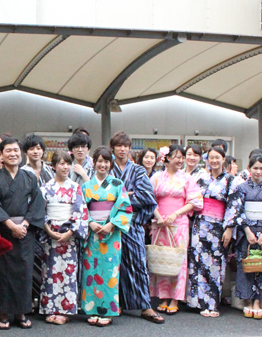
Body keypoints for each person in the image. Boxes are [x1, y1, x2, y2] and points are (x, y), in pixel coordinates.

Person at [0, 137, 46, 330]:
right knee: (2, 273)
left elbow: (37, 203)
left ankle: (21, 312)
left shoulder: (28, 177)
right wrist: (12, 226)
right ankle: (3, 313)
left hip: (24, 233)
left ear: (21, 154)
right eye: (8, 151)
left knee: (24, 272)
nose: (13, 154)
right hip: (3, 231)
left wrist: (25, 225)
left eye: (16, 150)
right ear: (1, 155)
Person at [109, 132, 164, 323]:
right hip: (111, 225)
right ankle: (118, 302)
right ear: (113, 148)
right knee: (115, 264)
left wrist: (119, 197)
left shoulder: (139, 170)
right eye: (119, 145)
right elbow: (102, 196)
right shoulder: (107, 169)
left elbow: (146, 196)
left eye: (126, 146)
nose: (122, 149)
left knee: (138, 264)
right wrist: (126, 195)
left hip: (133, 224)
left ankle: (145, 305)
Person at [225, 154, 262, 319]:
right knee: (246, 266)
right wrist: (247, 230)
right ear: (249, 169)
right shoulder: (242, 188)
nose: (258, 171)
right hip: (247, 233)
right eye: (255, 168)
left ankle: (259, 301)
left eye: (261, 168)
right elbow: (236, 210)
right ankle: (248, 301)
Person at [80, 147, 132, 326]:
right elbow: (80, 209)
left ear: (110, 164)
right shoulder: (86, 186)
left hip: (111, 233)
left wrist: (111, 224)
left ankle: (107, 310)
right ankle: (92, 309)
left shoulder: (117, 184)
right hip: (92, 233)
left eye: (106, 161)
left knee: (109, 272)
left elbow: (126, 208)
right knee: (91, 271)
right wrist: (90, 222)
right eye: (99, 161)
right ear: (93, 162)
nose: (103, 165)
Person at [149, 144, 204, 314]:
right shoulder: (157, 177)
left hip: (178, 222)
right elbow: (149, 199)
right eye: (177, 157)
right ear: (166, 159)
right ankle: (163, 296)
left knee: (178, 260)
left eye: (181, 157)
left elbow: (195, 202)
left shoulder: (187, 178)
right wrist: (158, 216)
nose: (180, 160)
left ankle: (175, 298)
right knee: (161, 257)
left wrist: (175, 214)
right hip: (160, 222)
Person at [38, 151, 88, 325]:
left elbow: (80, 211)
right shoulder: (45, 188)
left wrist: (70, 231)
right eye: (61, 163)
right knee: (49, 272)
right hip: (51, 233)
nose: (65, 167)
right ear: (53, 166)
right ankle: (50, 308)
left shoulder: (75, 187)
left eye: (68, 163)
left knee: (67, 272)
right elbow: (40, 211)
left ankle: (65, 310)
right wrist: (48, 230)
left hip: (69, 235)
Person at [187, 146, 236, 316]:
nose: (214, 161)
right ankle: (197, 302)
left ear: (224, 159)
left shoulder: (230, 180)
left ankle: (212, 303)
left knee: (215, 264)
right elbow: (192, 198)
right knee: (198, 262)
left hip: (218, 226)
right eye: (211, 158)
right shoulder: (201, 178)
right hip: (199, 224)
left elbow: (233, 205)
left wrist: (229, 228)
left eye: (218, 158)